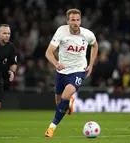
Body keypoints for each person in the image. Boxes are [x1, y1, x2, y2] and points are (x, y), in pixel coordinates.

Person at [44, 8, 98, 137]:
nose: (75, 22)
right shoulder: (61, 31)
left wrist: (90, 65)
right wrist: (56, 64)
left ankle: (51, 128)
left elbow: (95, 45)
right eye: (72, 20)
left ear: (81, 20)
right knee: (58, 102)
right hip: (62, 71)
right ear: (68, 21)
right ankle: (69, 102)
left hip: (78, 71)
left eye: (78, 20)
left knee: (65, 95)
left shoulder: (87, 34)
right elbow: (48, 52)